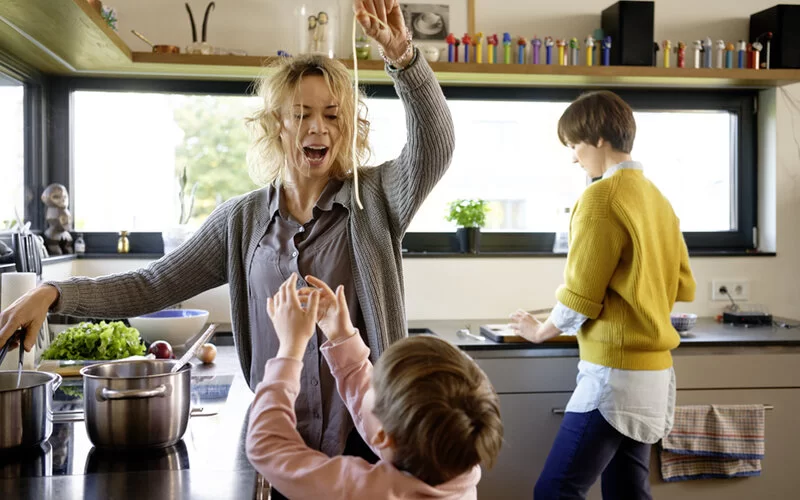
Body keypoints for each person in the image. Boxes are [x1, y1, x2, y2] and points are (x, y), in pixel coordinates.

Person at [0, 0, 454, 478]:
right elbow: (154, 284)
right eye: (300, 114)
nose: (317, 126)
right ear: (277, 125)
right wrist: (55, 292)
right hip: (282, 448)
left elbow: (436, 146)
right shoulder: (240, 221)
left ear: (347, 128)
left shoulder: (377, 197)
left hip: (372, 446)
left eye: (332, 116)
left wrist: (403, 56)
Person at [509, 90, 696, 499]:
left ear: (598, 140)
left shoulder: (600, 197)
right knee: (628, 493)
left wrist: (539, 330)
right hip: (655, 375)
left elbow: (580, 294)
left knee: (554, 492)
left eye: (574, 145)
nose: (574, 157)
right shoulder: (659, 200)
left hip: (614, 375)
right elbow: (684, 284)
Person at [246, 273, 503, 499]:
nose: (369, 383)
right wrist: (341, 335)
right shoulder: (460, 470)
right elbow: (383, 418)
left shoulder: (365, 490)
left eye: (375, 385)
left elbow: (267, 445)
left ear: (382, 436)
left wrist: (290, 349)